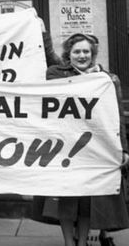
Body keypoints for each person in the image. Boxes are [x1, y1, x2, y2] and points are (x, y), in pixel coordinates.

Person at [41, 33, 129, 246]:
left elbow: (116, 115)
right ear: (68, 55)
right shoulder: (56, 74)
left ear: (93, 54)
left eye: (86, 52)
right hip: (65, 147)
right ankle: (68, 243)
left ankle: (81, 242)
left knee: (87, 200)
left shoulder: (107, 79)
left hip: (94, 147)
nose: (82, 56)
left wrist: (123, 149)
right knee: (66, 198)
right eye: (77, 51)